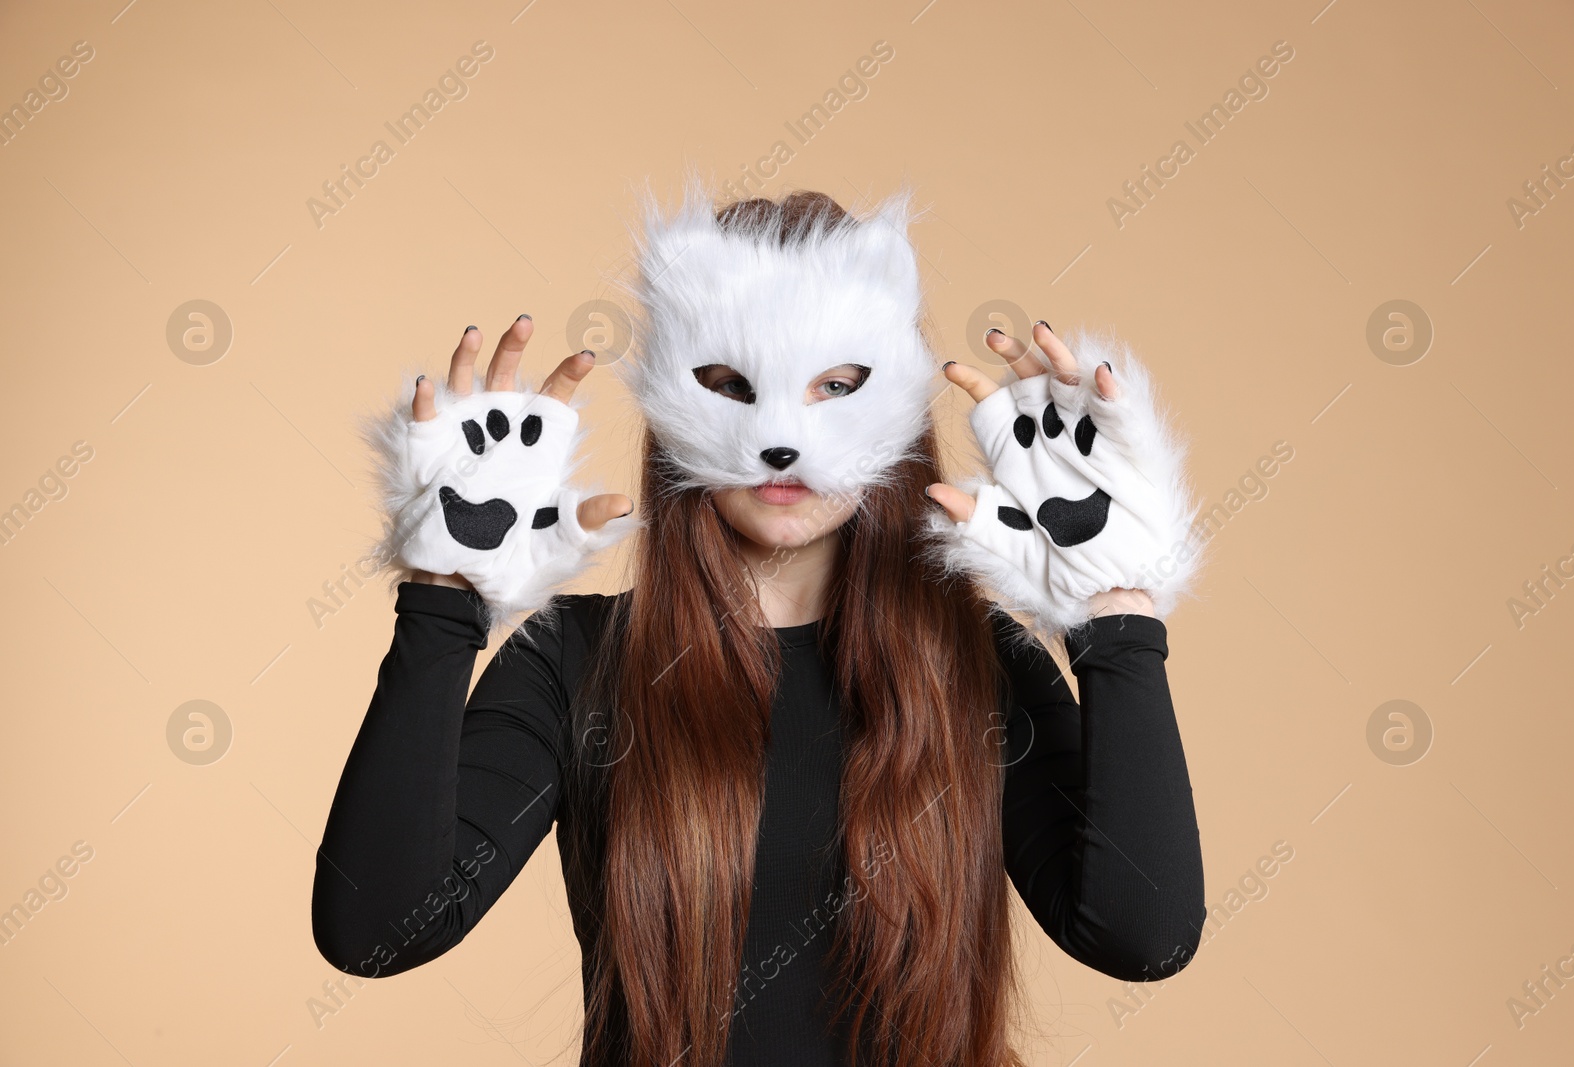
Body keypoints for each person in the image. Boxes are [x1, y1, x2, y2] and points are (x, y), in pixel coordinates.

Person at [311, 186, 1207, 1067]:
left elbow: (1143, 938)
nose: (784, 434)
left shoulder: (977, 667)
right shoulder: (577, 663)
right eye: (731, 385)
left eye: (836, 386)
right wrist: (446, 589)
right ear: (671, 402)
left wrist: (1115, 606)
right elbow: (375, 931)